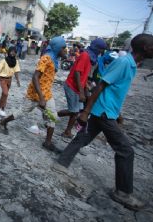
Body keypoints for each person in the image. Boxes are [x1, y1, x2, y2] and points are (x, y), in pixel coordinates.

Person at [52, 34, 153, 211]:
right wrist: (86, 111)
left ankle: (61, 162)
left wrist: (118, 113)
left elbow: (114, 90)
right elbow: (100, 85)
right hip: (103, 111)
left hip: (107, 111)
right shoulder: (123, 62)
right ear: (145, 47)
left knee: (83, 138)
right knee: (125, 151)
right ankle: (122, 192)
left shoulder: (131, 64)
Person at [0, 36, 66, 153]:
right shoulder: (46, 58)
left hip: (46, 94)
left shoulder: (54, 59)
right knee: (22, 111)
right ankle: (3, 121)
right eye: (63, 48)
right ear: (57, 47)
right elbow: (35, 77)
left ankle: (48, 142)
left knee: (52, 116)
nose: (65, 51)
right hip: (36, 94)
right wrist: (41, 97)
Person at [57, 39, 107, 138]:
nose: (102, 52)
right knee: (74, 111)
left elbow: (83, 75)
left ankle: (67, 131)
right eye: (101, 49)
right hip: (72, 86)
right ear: (97, 48)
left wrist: (86, 88)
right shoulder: (85, 56)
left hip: (78, 87)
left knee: (77, 111)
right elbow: (77, 73)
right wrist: (81, 92)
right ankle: (53, 114)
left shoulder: (91, 58)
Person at [0, 46, 21, 117]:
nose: (12, 53)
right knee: (5, 93)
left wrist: (18, 80)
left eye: (14, 52)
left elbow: (16, 72)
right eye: (11, 51)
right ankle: (2, 109)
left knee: (4, 94)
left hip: (9, 80)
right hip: (3, 79)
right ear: (8, 52)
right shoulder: (4, 61)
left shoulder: (16, 62)